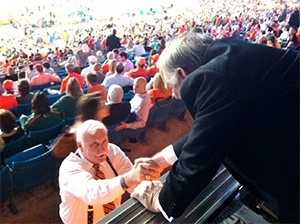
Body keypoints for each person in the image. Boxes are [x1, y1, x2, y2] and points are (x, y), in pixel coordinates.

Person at [130, 32, 299, 223]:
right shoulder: (233, 55)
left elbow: (199, 159)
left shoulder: (210, 77)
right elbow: (216, 124)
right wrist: (161, 159)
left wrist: (161, 200)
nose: (176, 96)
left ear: (181, 73)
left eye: (172, 87)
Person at [59, 120, 160, 224]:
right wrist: (125, 180)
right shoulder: (69, 167)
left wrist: (149, 186)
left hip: (112, 219)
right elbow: (92, 193)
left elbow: (134, 184)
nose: (102, 150)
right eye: (94, 144)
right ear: (80, 145)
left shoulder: (113, 151)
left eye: (104, 141)